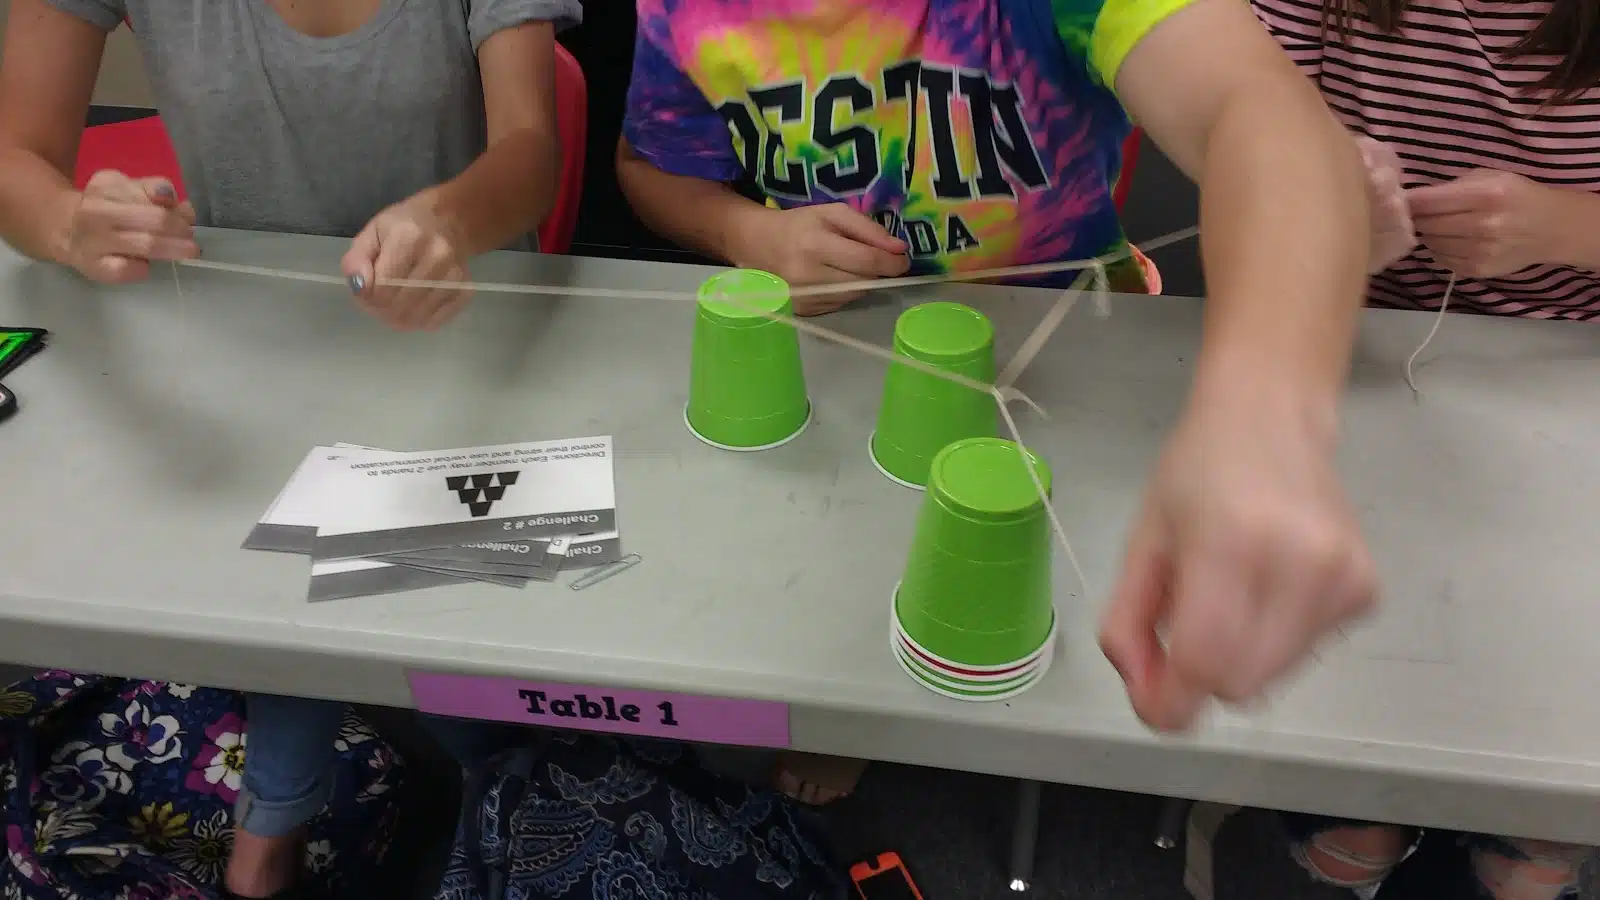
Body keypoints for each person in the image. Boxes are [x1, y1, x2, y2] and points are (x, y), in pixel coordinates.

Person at [618, 0, 1381, 802]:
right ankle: (860, 717)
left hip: (1066, 360)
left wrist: (1263, 423)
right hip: (838, 353)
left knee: (1053, 627)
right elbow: (650, 169)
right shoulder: (684, 14)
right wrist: (745, 234)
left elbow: (1260, 113)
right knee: (835, 603)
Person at [0, 0, 578, 895]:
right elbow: (14, 161)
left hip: (454, 342)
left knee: (411, 619)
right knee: (285, 570)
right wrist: (72, 222)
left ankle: (301, 812)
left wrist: (450, 220)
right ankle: (302, 812)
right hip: (247, 359)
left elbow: (530, 152)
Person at [1250, 0, 1600, 896]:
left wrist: (1566, 227)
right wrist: (1324, 222)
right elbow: (1244, 167)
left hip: (1568, 389)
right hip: (1358, 362)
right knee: (1353, 826)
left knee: (1525, 847)